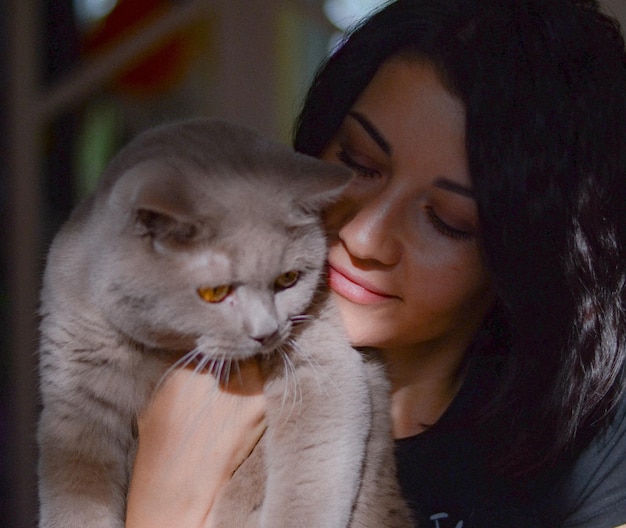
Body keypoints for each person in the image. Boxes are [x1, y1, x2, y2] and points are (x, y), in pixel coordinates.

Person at [126, 0, 626, 526]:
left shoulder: (589, 441)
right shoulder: (196, 376)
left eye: (448, 220)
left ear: (525, 253)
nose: (363, 236)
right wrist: (165, 491)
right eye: (358, 163)